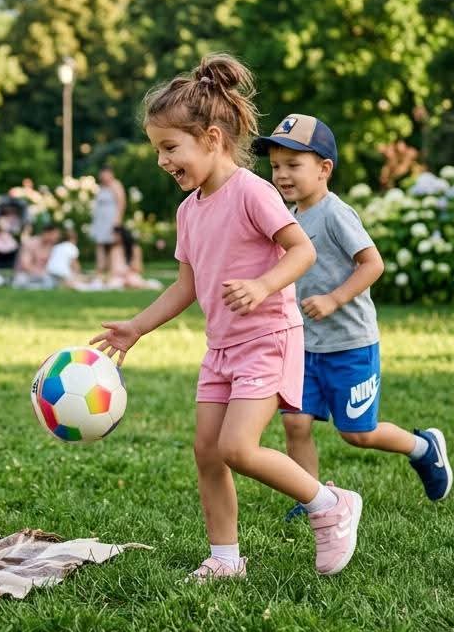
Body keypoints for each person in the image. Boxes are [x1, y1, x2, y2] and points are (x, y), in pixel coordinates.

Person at [91, 54, 364, 581]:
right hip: (220, 350)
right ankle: (224, 558)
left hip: (267, 339)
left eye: (170, 147)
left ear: (212, 138)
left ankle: (330, 503)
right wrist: (137, 327)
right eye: (157, 150)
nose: (162, 161)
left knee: (237, 447)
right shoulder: (188, 211)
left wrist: (262, 285)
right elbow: (186, 286)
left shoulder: (252, 192)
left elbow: (302, 251)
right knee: (207, 452)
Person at [253, 114, 453, 521]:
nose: (282, 175)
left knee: (357, 433)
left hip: (350, 344)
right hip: (304, 345)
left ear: (324, 168)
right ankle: (311, 497)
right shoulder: (288, 217)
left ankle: (423, 448)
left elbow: (372, 263)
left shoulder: (335, 213)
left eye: (293, 165)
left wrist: (334, 299)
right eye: (275, 166)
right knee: (295, 423)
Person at [89, 166, 126, 276]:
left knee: (112, 243)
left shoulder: (116, 185)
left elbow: (121, 202)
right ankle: (100, 268)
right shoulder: (101, 187)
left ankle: (112, 268)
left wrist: (118, 220)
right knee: (100, 243)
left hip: (111, 218)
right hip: (100, 219)